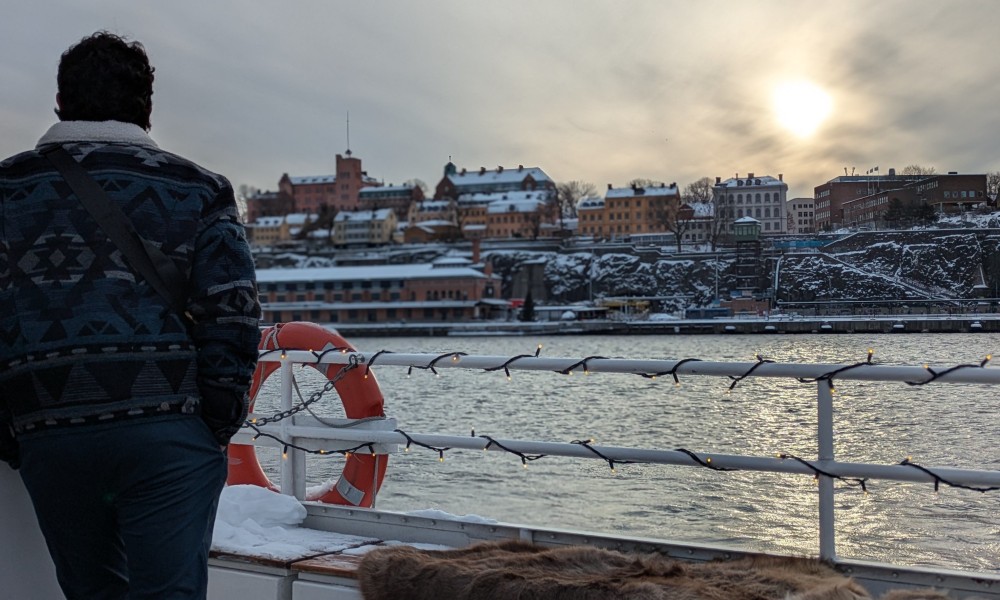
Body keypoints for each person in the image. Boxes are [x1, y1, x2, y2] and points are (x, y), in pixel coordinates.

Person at [0, 31, 261, 599]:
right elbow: (232, 316)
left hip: (51, 434)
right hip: (166, 436)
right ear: (146, 106)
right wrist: (211, 425)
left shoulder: (7, 189)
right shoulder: (198, 189)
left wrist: (15, 431)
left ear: (60, 102)